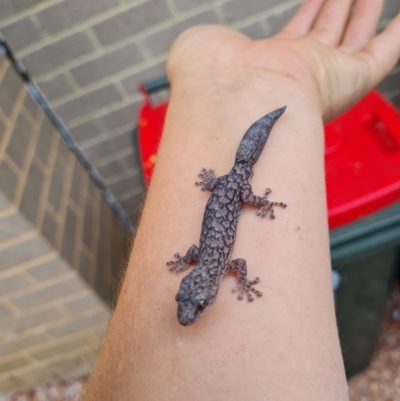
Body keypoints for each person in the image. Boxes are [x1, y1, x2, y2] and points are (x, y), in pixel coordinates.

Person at [83, 0, 400, 399]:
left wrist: (255, 203)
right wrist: (221, 269)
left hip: (232, 187)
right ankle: (260, 137)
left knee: (239, 179)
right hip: (225, 186)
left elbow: (215, 250)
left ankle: (265, 131)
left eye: (193, 303)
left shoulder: (219, 265)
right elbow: (216, 253)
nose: (188, 311)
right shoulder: (216, 266)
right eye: (191, 302)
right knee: (235, 180)